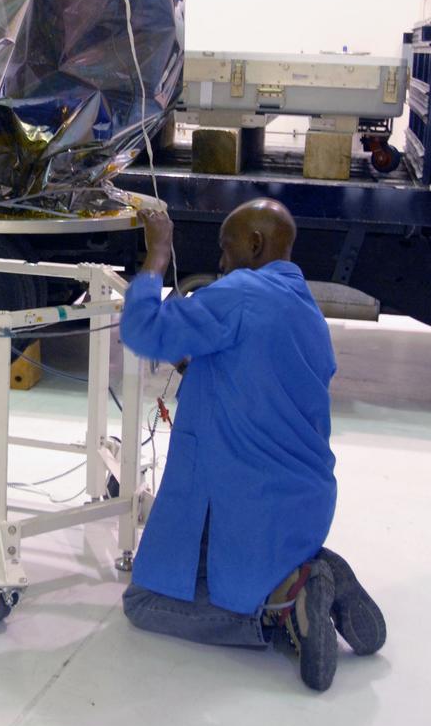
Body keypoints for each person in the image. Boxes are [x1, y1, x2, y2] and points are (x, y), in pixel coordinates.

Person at [119, 198, 385, 692]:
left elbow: (142, 330)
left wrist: (157, 256)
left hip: (241, 500)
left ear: (256, 245)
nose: (220, 263)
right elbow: (260, 374)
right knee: (214, 568)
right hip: (301, 507)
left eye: (226, 250)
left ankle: (280, 611)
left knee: (144, 602)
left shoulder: (238, 293)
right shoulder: (304, 307)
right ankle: (313, 569)